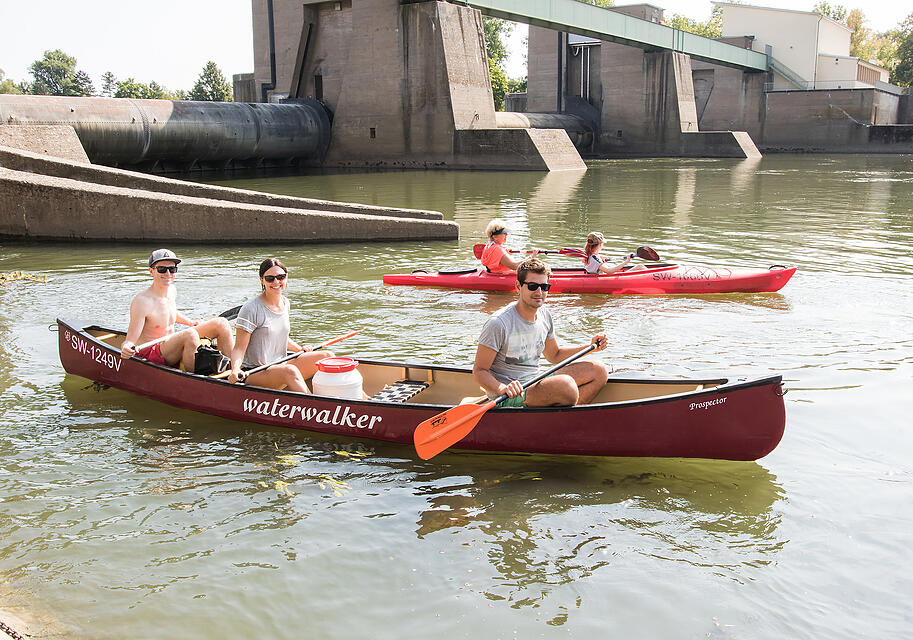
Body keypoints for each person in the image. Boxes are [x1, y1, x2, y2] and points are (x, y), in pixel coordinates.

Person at [473, 257, 609, 407]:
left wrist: (590, 347)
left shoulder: (545, 315)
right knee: (566, 386)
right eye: (532, 286)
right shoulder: (498, 323)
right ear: (518, 286)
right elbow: (479, 370)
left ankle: (565, 419)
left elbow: (555, 355)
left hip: (534, 381)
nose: (539, 292)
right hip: (507, 395)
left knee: (599, 371)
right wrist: (503, 388)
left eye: (544, 287)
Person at [227, 258, 334, 392]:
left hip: (281, 364)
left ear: (286, 277)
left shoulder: (285, 303)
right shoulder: (250, 309)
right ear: (262, 280)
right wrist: (235, 370)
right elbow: (239, 348)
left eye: (280, 277)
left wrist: (299, 349)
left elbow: (279, 335)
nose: (276, 282)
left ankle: (360, 399)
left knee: (327, 357)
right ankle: (318, 408)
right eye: (270, 278)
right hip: (256, 371)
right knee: (290, 371)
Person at [120, 249, 233, 370]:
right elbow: (130, 340)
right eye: (162, 269)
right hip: (152, 352)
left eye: (172, 269)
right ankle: (194, 379)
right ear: (151, 271)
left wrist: (190, 322)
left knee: (222, 323)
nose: (168, 273)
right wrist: (126, 347)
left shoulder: (172, 290)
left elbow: (169, 313)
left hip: (169, 344)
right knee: (190, 334)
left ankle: (231, 371)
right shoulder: (141, 301)